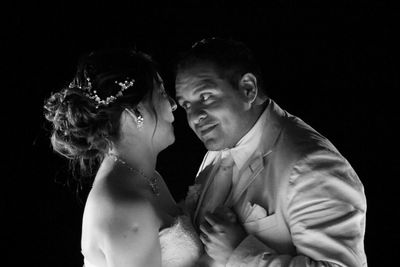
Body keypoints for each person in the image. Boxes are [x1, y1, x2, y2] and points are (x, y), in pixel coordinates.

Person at [175, 37, 367, 266]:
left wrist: (238, 252)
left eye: (205, 97)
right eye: (186, 105)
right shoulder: (219, 149)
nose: (195, 116)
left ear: (248, 89)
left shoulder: (313, 164)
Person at [44, 48, 203, 267]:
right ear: (134, 113)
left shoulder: (148, 178)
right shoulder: (124, 206)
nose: (173, 105)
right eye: (161, 94)